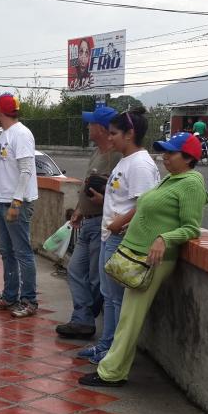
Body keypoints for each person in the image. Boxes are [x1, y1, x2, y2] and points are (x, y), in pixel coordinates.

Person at [80, 132, 208, 387]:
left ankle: (112, 373)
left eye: (171, 153)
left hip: (152, 260)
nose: (165, 157)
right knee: (126, 315)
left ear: (188, 158)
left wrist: (164, 238)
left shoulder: (191, 184)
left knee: (130, 318)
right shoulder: (172, 179)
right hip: (138, 255)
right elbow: (152, 211)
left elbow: (191, 228)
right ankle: (113, 367)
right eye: (165, 152)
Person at [78, 107, 160, 365]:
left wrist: (118, 224)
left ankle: (113, 349)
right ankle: (106, 344)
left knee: (115, 298)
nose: (109, 137)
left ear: (129, 134)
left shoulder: (140, 164)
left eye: (114, 133)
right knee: (108, 295)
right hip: (109, 235)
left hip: (120, 238)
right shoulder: (125, 161)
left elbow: (145, 205)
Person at [55, 105, 122, 339]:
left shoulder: (117, 156)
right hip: (87, 221)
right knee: (75, 270)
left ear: (102, 128)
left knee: (96, 278)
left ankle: (85, 319)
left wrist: (103, 200)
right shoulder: (96, 152)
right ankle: (83, 317)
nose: (87, 126)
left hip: (103, 222)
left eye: (91, 123)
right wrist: (80, 210)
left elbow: (121, 195)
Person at [0, 93, 40, 318]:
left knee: (22, 252)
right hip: (1, 201)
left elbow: (26, 170)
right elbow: (10, 167)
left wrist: (17, 202)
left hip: (16, 203)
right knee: (6, 251)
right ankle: (9, 296)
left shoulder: (21, 134)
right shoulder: (5, 135)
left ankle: (29, 300)